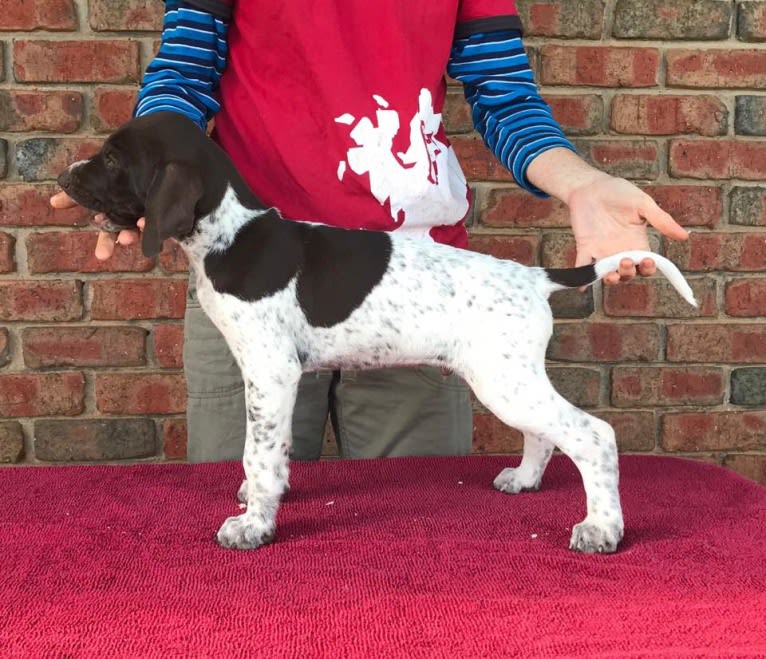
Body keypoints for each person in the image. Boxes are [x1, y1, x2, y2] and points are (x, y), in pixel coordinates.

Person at [52, 0, 688, 463]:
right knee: (240, 536)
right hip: (252, 270)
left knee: (418, 539)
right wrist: (144, 178)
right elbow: (185, 73)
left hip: (414, 282)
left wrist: (581, 184)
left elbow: (504, 95)